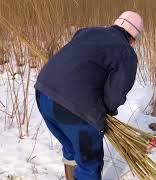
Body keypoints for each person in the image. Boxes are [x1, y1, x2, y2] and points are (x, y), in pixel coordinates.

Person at [34, 11, 143, 180]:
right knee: (89, 164)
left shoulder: (87, 32)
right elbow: (116, 94)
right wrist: (102, 113)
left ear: (116, 23)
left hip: (43, 93)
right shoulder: (126, 52)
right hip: (75, 109)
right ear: (133, 38)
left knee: (71, 147)